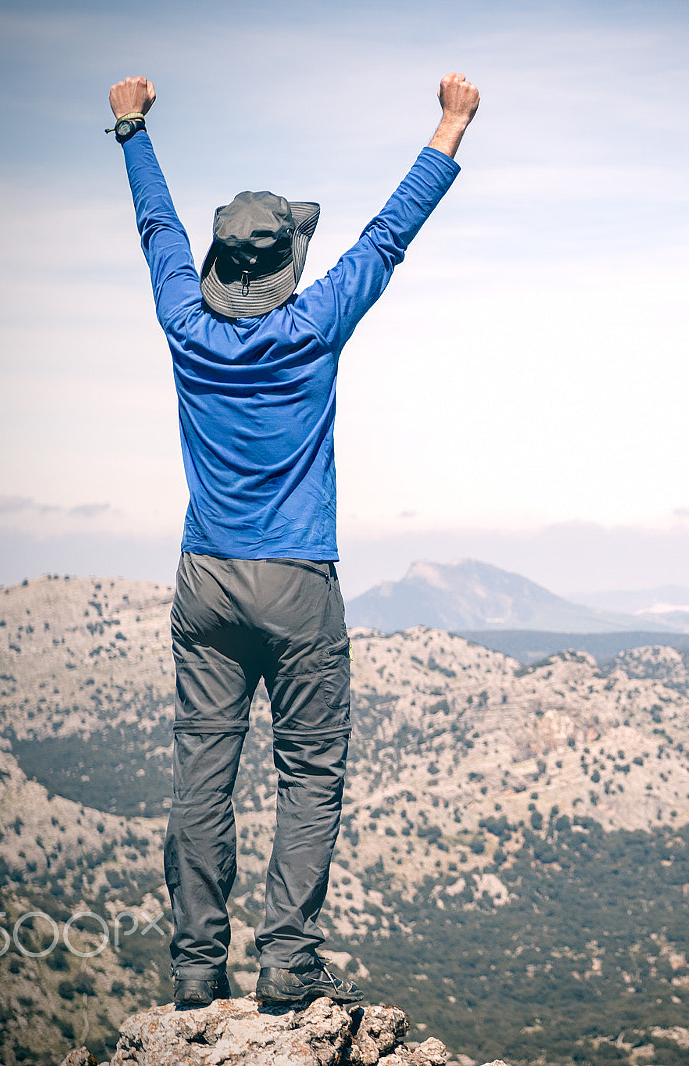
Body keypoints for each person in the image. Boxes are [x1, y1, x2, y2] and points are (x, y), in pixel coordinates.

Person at [107, 70, 480, 1009]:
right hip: (299, 578)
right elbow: (387, 238)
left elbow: (159, 231)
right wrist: (450, 123)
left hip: (207, 578)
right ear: (283, 265)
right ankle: (286, 964)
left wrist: (131, 129)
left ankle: (197, 970)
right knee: (310, 771)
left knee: (203, 772)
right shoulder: (312, 327)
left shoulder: (186, 324)